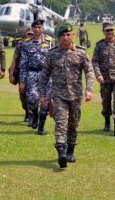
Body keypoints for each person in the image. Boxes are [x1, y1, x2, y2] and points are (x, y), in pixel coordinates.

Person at [39, 22, 94, 169]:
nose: (65, 37)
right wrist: (43, 95)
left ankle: (70, 151)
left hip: (76, 96)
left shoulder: (81, 53)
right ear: (58, 37)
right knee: (61, 123)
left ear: (73, 35)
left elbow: (89, 72)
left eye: (68, 34)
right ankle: (61, 152)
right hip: (59, 96)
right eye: (63, 35)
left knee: (73, 125)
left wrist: (89, 90)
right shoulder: (51, 54)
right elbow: (44, 76)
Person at [92, 21, 115, 137]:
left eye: (111, 30)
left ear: (114, 30)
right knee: (106, 103)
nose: (109, 32)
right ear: (103, 31)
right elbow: (95, 61)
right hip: (105, 79)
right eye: (107, 30)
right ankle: (107, 120)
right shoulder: (99, 45)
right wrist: (98, 75)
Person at [19, 19, 53, 135]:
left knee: (45, 100)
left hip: (46, 75)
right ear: (32, 29)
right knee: (32, 99)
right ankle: (34, 115)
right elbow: (23, 63)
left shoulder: (50, 42)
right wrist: (22, 81)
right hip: (32, 74)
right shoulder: (27, 43)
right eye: (35, 28)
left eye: (39, 27)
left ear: (43, 28)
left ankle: (41, 127)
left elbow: (54, 59)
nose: (37, 30)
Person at [9, 28, 34, 122]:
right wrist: (11, 74)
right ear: (25, 35)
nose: (30, 36)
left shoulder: (39, 44)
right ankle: (27, 111)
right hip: (22, 73)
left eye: (31, 34)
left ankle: (32, 114)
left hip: (35, 73)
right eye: (28, 34)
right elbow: (15, 59)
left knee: (33, 94)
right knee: (22, 95)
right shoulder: (20, 45)